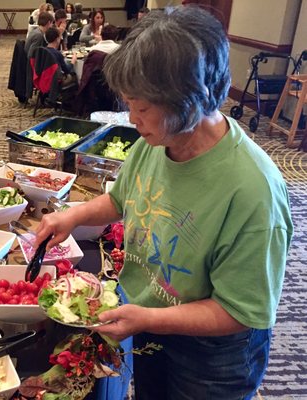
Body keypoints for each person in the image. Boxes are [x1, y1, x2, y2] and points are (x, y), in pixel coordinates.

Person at [34, 6, 293, 400]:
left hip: (211, 356)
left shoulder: (253, 192)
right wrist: (72, 215)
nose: (132, 118)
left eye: (141, 107)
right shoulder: (158, 141)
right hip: (151, 320)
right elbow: (122, 199)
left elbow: (241, 312)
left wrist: (150, 318)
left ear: (190, 99)